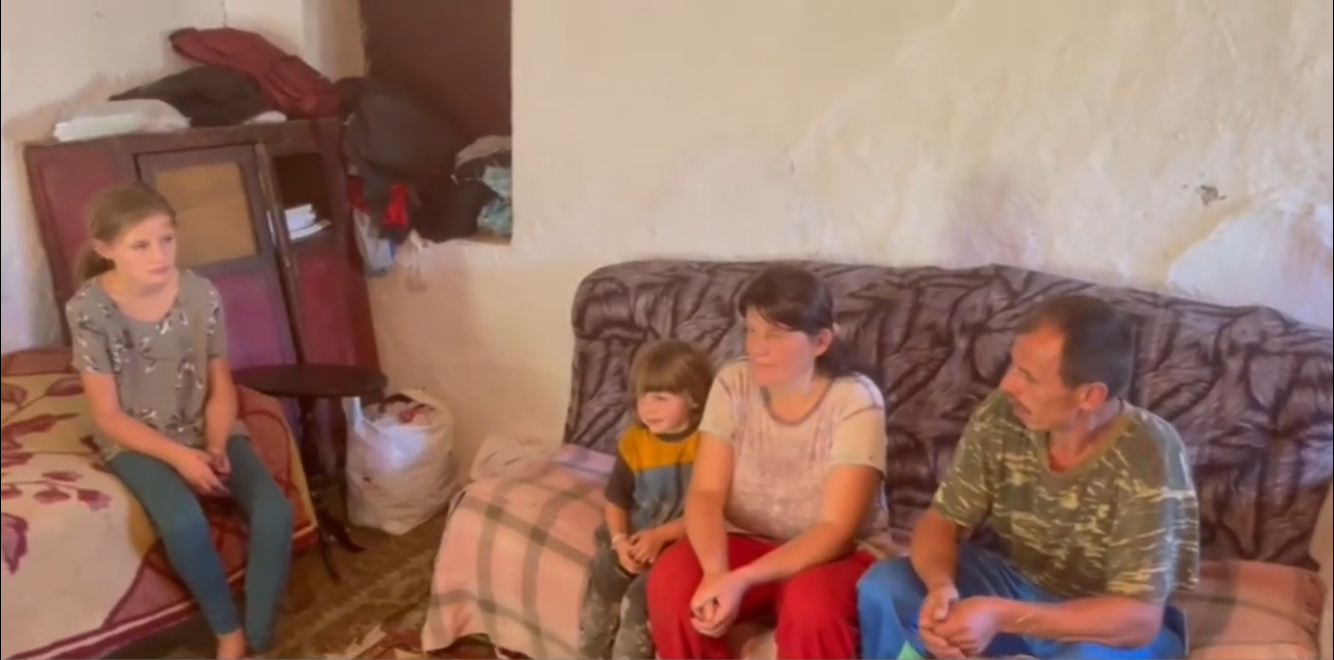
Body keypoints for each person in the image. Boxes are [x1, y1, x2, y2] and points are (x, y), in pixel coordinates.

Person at [857, 294, 1200, 660]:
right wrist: (940, 588)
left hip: (1100, 620)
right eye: (1013, 365)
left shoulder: (1149, 451)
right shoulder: (1002, 415)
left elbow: (1139, 620)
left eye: (1029, 378)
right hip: (1014, 583)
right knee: (885, 588)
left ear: (1089, 396)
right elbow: (942, 521)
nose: (1007, 385)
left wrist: (1001, 616)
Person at [65, 183, 295, 660]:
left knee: (274, 511)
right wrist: (179, 458)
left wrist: (216, 444)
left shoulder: (199, 293)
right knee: (183, 523)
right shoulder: (88, 310)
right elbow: (107, 414)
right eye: (141, 245)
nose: (160, 255)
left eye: (167, 239)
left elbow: (221, 384)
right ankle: (228, 632)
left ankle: (258, 636)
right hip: (136, 437)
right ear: (105, 249)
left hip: (203, 423)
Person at [646, 264, 893, 659]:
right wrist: (716, 572)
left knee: (812, 609)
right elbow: (706, 493)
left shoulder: (856, 399)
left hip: (834, 554)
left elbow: (836, 529)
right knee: (672, 582)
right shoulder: (732, 382)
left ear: (820, 341)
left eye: (776, 335)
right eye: (751, 330)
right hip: (744, 538)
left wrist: (742, 579)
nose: (757, 347)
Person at [576, 339, 715, 659]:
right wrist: (619, 540)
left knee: (642, 598)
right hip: (638, 535)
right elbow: (616, 499)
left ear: (694, 398)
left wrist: (661, 536)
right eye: (642, 398)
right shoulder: (633, 443)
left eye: (661, 398)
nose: (648, 408)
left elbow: (713, 511)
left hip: (682, 543)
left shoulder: (709, 445)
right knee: (604, 571)